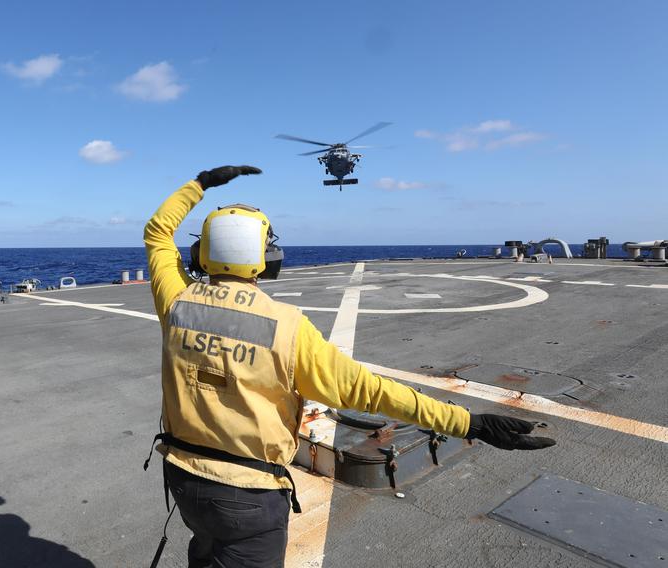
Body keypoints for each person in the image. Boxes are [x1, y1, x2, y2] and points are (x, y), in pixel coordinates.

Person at [143, 166, 556, 568]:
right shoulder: (287, 329)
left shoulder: (176, 303)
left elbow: (158, 233)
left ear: (202, 253)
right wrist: (470, 424)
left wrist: (199, 185)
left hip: (183, 478)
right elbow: (374, 392)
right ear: (264, 257)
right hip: (249, 495)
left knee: (206, 551)